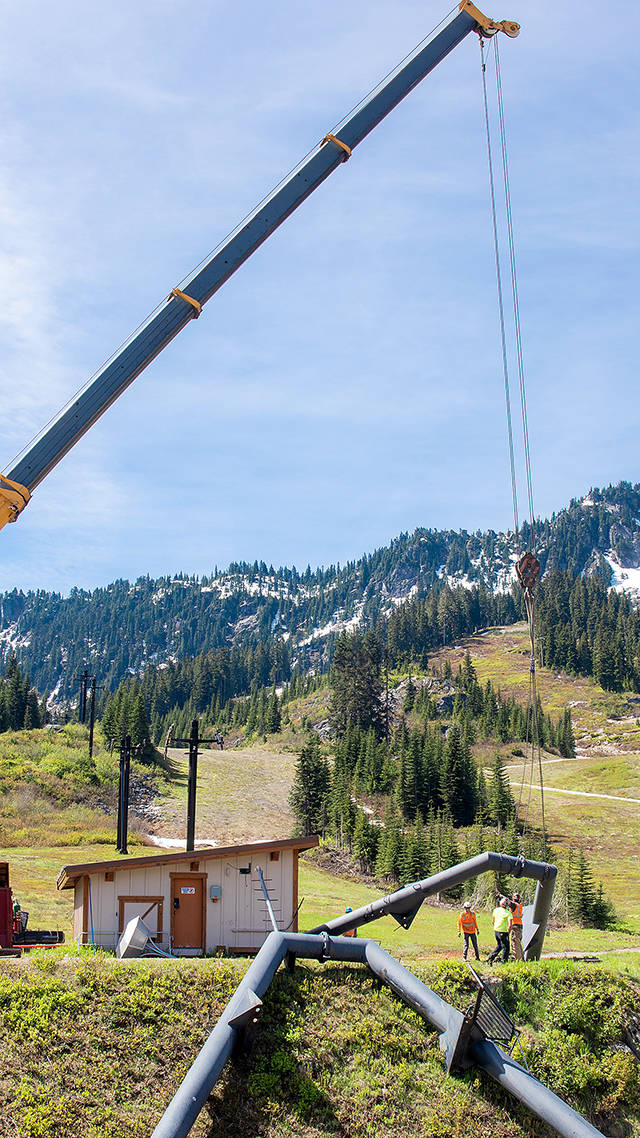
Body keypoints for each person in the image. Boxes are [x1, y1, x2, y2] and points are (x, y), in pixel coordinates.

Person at [487, 896, 511, 964]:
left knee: (499, 946)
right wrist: (508, 932)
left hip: (496, 931)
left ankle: (490, 958)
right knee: (506, 947)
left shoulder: (496, 910)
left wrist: (496, 927)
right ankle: (503, 961)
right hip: (503, 932)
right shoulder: (508, 913)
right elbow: (510, 925)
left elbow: (493, 921)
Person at [509, 892, 524, 961]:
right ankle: (522, 959)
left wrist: (500, 896)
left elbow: (507, 901)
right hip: (520, 925)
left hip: (515, 926)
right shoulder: (519, 906)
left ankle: (519, 960)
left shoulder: (514, 905)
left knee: (515, 943)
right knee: (518, 943)